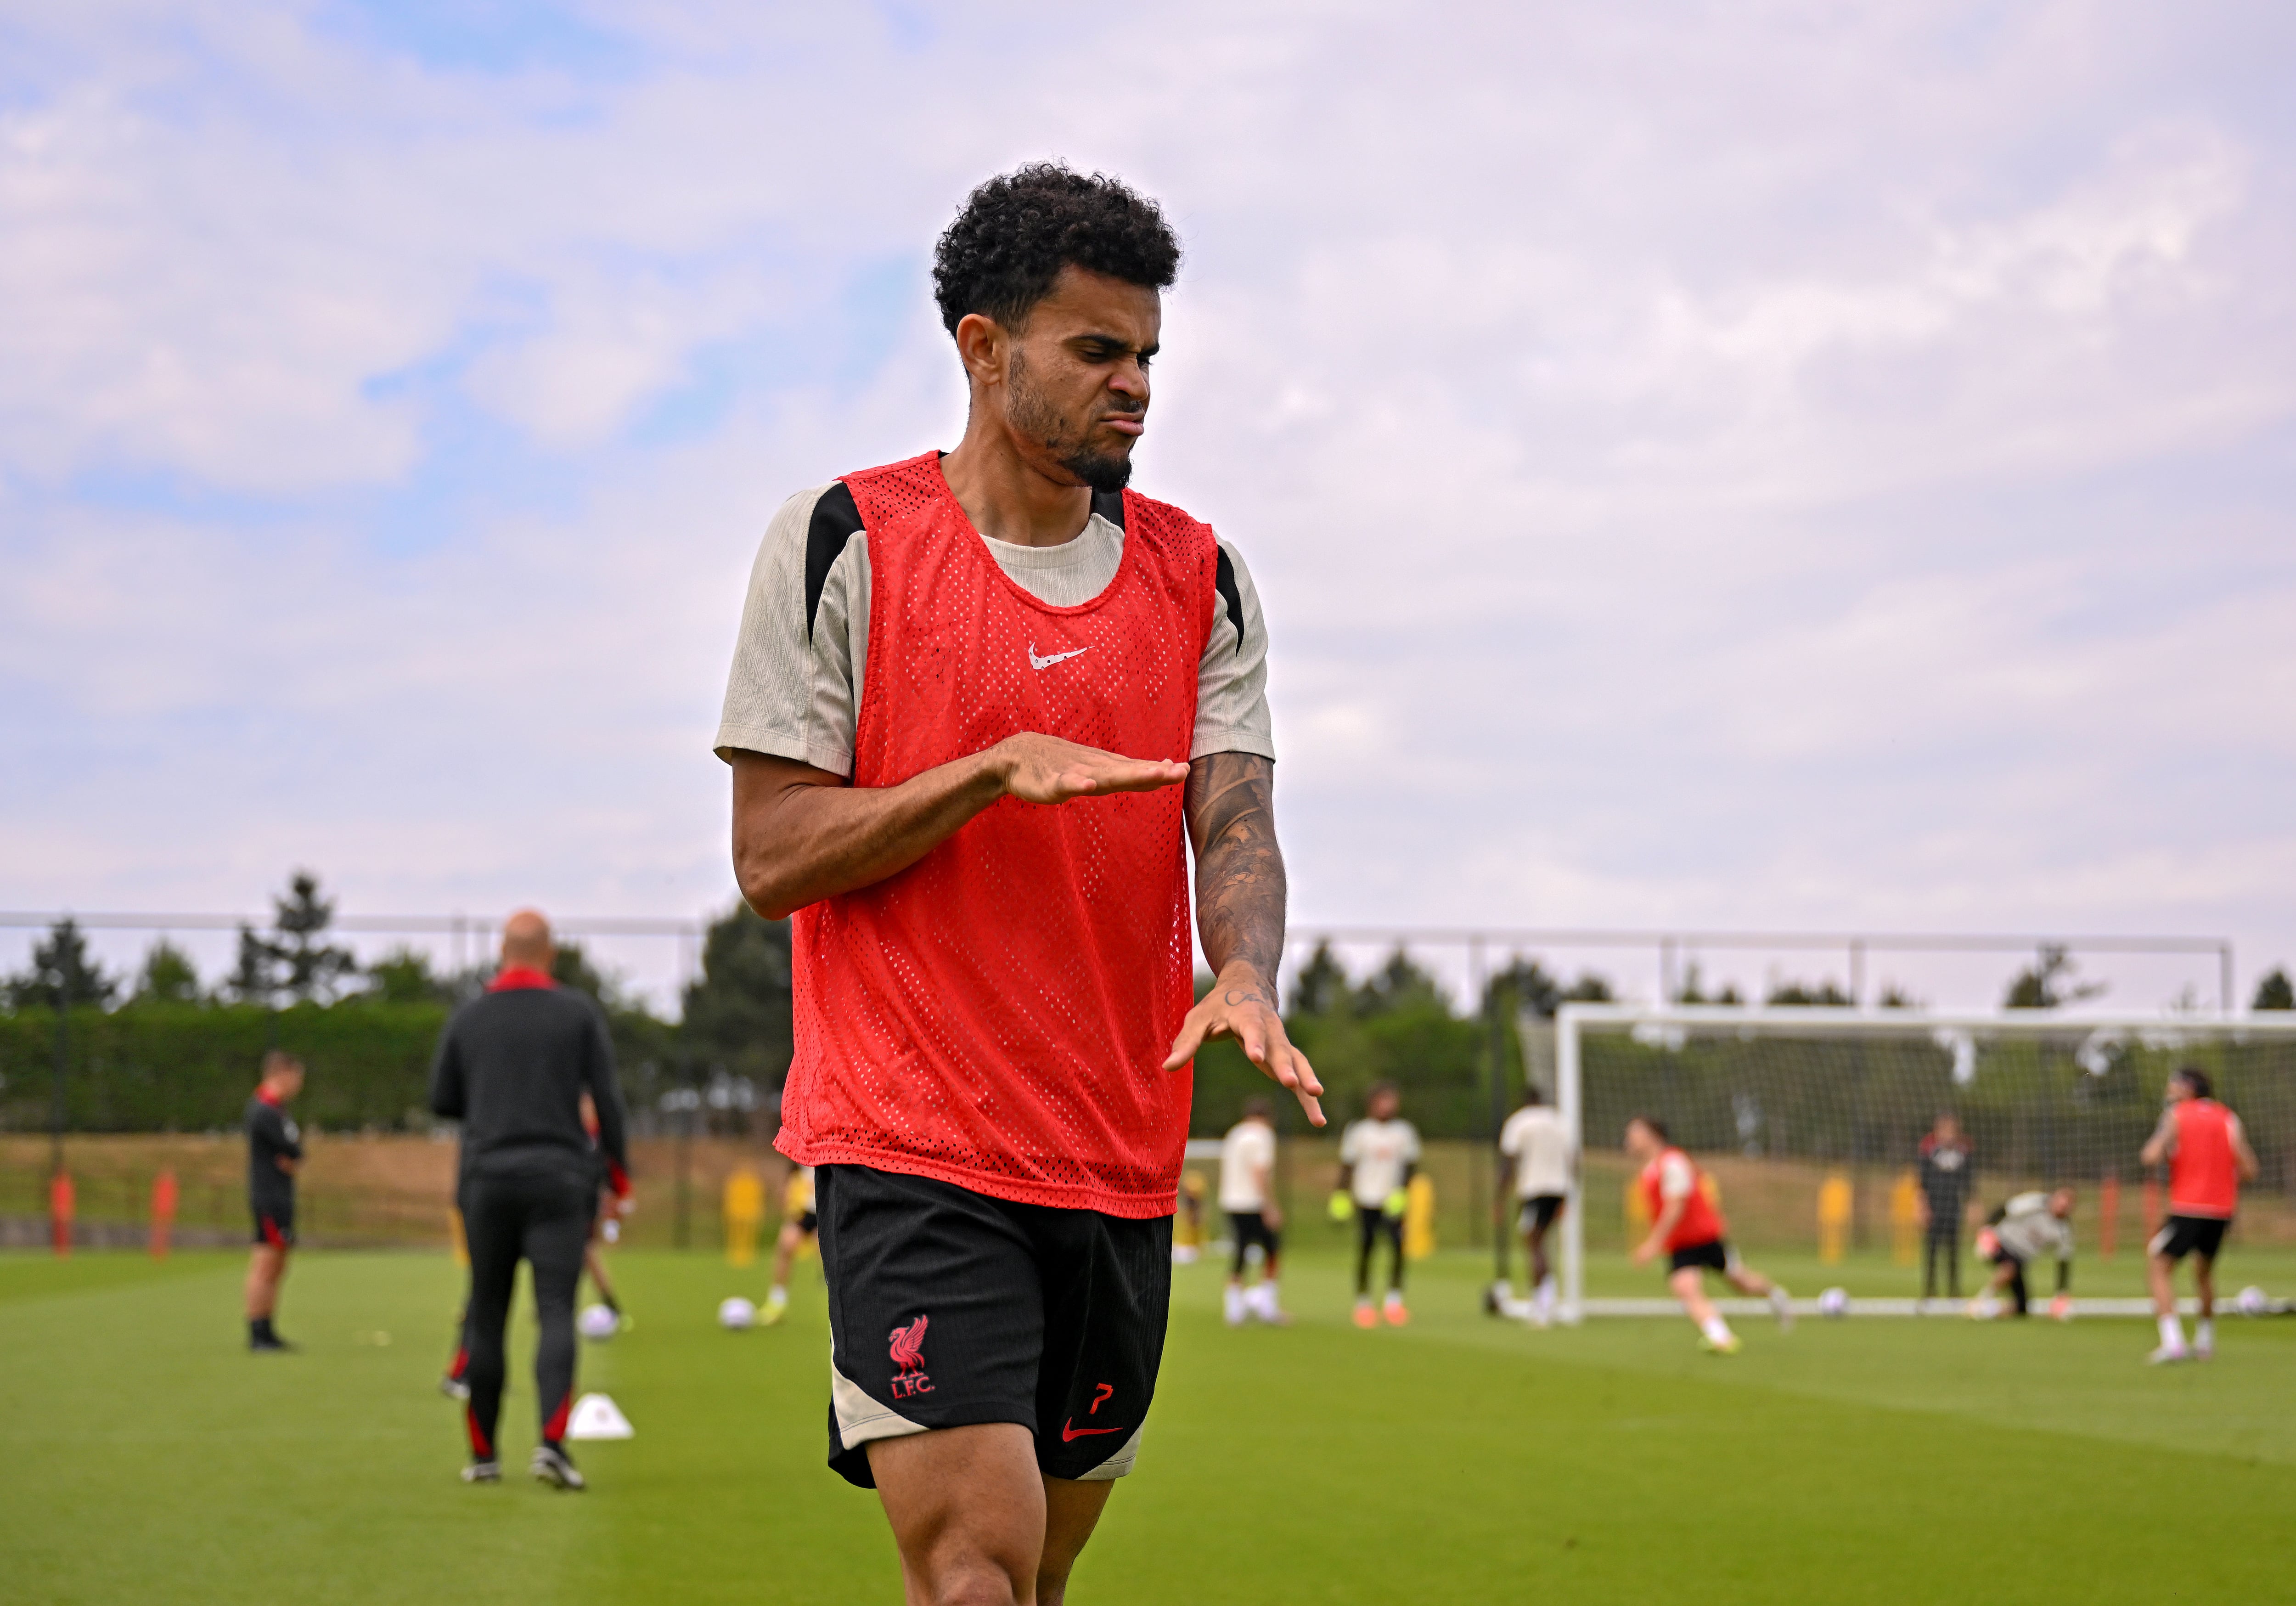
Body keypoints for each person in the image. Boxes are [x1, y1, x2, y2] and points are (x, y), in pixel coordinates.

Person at [716, 164, 1316, 1606]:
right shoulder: (844, 540)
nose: (1137, 387)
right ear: (983, 350)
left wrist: (1243, 970)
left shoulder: (1201, 577)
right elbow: (771, 854)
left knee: (1037, 1579)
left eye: (1148, 354)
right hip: (911, 1144)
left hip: (1117, 1151)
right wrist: (982, 774)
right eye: (1097, 351)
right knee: (975, 1571)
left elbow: (1234, 816)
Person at [428, 910, 630, 1490]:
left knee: (488, 1311)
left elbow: (442, 1099)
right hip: (560, 1180)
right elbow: (608, 1100)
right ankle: (551, 1446)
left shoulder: (469, 1015)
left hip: (486, 1180)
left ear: (501, 951)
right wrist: (619, 1177)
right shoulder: (577, 1012)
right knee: (556, 1309)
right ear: (551, 953)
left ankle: (484, 1455)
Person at [1624, 1116, 1791, 1352]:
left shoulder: (1673, 1162)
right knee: (1685, 1287)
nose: (1629, 1139)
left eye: (1635, 1133)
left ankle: (1775, 1295)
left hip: (1704, 1238)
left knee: (1742, 1283)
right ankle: (1721, 1337)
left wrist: (1653, 1244)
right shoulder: (1650, 1170)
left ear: (1653, 1135)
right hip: (1681, 1244)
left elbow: (1676, 1207)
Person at [2139, 1067, 2259, 1364]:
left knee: (2158, 1266)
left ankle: (2173, 1342)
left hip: (2188, 1207)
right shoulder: (2229, 1117)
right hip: (2222, 1210)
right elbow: (2249, 1169)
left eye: (2174, 1084)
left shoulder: (2177, 1115)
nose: (2169, 1089)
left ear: (2188, 1088)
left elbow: (2151, 1156)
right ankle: (2205, 1343)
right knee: (2204, 1272)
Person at [1337, 1082, 1418, 1328]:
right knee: (1367, 1249)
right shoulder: (1360, 1132)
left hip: (1393, 1202)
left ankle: (1394, 1302)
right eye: (1383, 1101)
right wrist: (1341, 1196)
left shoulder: (1404, 1132)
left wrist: (1402, 1193)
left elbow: (1411, 1166)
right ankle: (1363, 1302)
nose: (1388, 1106)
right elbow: (1348, 1166)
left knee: (1397, 1250)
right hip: (1367, 1199)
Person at [1495, 1085, 1574, 1326]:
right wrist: (1569, 1195)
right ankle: (1545, 1297)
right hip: (1559, 1189)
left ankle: (1543, 1301)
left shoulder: (1519, 1122)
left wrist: (1499, 1199)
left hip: (1534, 1189)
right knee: (1540, 1240)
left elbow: (1508, 1163)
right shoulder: (1559, 1122)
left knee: (1534, 1242)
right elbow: (1573, 1159)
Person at [243, 1051, 305, 1352]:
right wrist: (292, 1154)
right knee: (266, 1264)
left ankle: (268, 1329)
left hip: (281, 1195)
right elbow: (292, 1150)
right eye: (297, 1077)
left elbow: (296, 1152)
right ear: (282, 1074)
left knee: (277, 1264)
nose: (299, 1085)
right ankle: (259, 1333)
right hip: (269, 1197)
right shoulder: (264, 1111)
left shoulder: (278, 1110)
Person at [1218, 1099, 1286, 1325]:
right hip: (1253, 1203)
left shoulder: (1235, 1133)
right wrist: (1270, 1206)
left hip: (1231, 1202)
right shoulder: (1262, 1135)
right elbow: (1260, 1172)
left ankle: (1234, 1310)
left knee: (1240, 1252)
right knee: (1273, 1251)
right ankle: (1268, 1307)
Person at [1966, 1188, 2074, 1320]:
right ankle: (1980, 1301)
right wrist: (1987, 1230)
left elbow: (2063, 1262)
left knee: (2021, 1308)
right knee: (2010, 1267)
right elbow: (2005, 1208)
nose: (2061, 1207)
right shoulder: (2036, 1203)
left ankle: (1989, 1311)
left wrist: (2061, 1294)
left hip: (2021, 1258)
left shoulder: (2063, 1230)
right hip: (2002, 1242)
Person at [1917, 1112, 1974, 1307]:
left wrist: (1973, 1205)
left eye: (1952, 1131)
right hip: (1934, 1208)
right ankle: (1930, 1292)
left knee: (1953, 1253)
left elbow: (1969, 1183)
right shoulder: (1929, 1152)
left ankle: (1954, 1293)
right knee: (1931, 1252)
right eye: (1945, 1130)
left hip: (1953, 1208)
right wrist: (1923, 1208)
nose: (1948, 1135)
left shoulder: (1963, 1154)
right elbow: (1922, 1183)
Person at [760, 1163, 818, 1327]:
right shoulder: (802, 1159)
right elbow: (793, 1173)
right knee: (785, 1247)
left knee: (828, 1259)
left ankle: (839, 1308)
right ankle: (777, 1304)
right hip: (803, 1212)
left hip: (825, 1211)